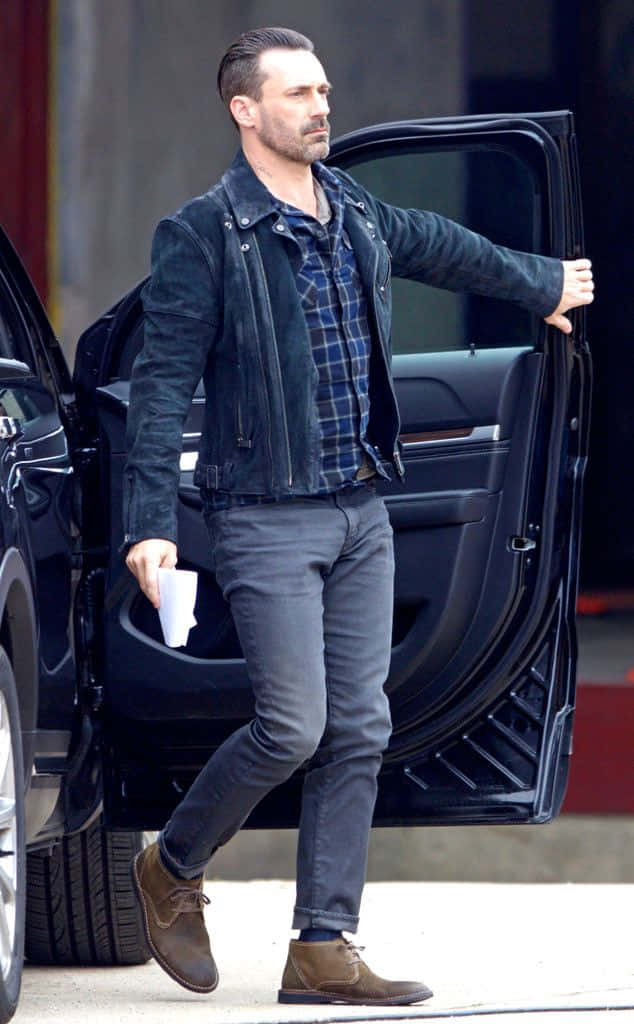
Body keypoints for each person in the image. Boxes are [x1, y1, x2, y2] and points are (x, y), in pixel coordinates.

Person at [123, 27, 594, 1005]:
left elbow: (441, 244)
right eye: (298, 92)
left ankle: (323, 944)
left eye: (325, 88)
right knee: (294, 724)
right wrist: (148, 520)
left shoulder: (353, 210)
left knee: (359, 727)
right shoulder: (204, 234)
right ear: (244, 110)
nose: (321, 105)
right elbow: (161, 381)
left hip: (361, 511)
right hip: (263, 515)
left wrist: (539, 281)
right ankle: (171, 862)